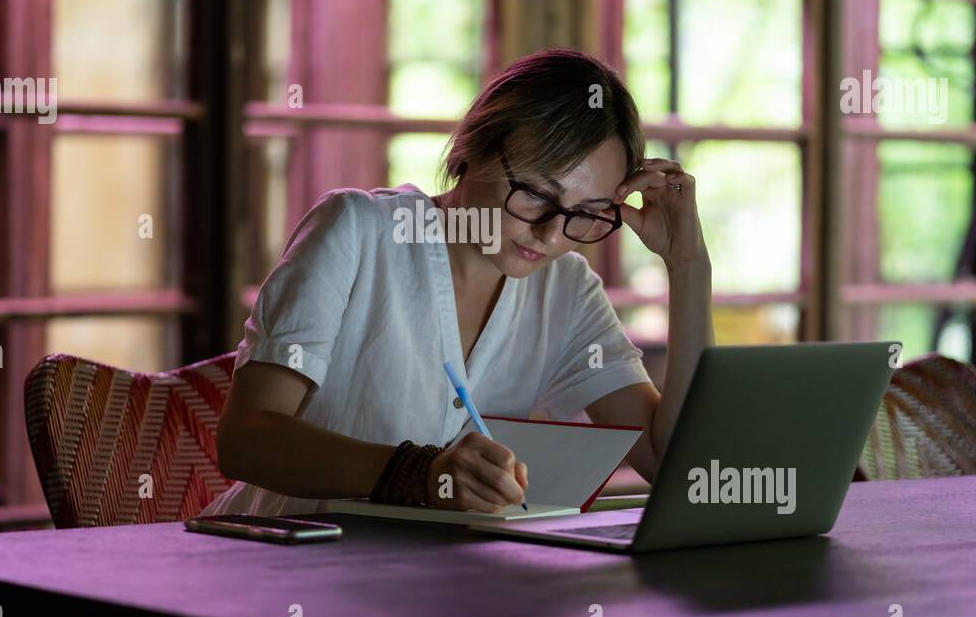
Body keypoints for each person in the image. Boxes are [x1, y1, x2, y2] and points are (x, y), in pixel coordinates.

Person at [204, 48, 714, 516]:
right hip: (275, 565)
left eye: (587, 213)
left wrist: (688, 266)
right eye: (535, 193)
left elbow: (679, 465)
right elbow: (247, 440)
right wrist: (420, 473)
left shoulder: (566, 289)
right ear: (471, 150)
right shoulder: (359, 232)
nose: (553, 233)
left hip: (430, 589)